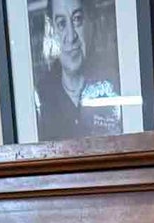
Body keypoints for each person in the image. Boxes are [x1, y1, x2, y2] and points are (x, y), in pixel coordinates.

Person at [34, 0, 124, 140]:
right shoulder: (40, 97)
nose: (71, 37)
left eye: (77, 20)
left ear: (91, 24)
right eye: (61, 24)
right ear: (52, 32)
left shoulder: (117, 85)